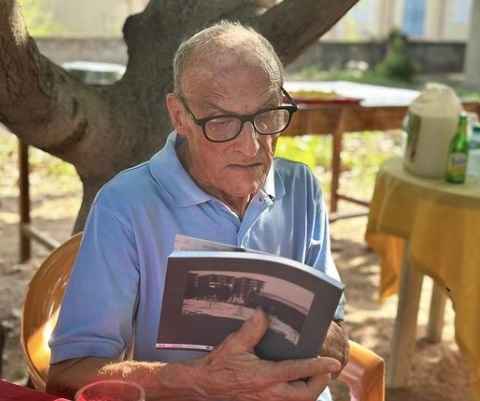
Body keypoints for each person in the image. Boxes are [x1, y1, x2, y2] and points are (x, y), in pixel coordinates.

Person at [46, 21, 349, 401]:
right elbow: (67, 375)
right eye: (221, 122)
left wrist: (304, 336)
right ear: (179, 116)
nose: (251, 146)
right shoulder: (127, 205)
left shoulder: (300, 188)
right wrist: (200, 380)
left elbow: (337, 336)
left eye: (267, 115)